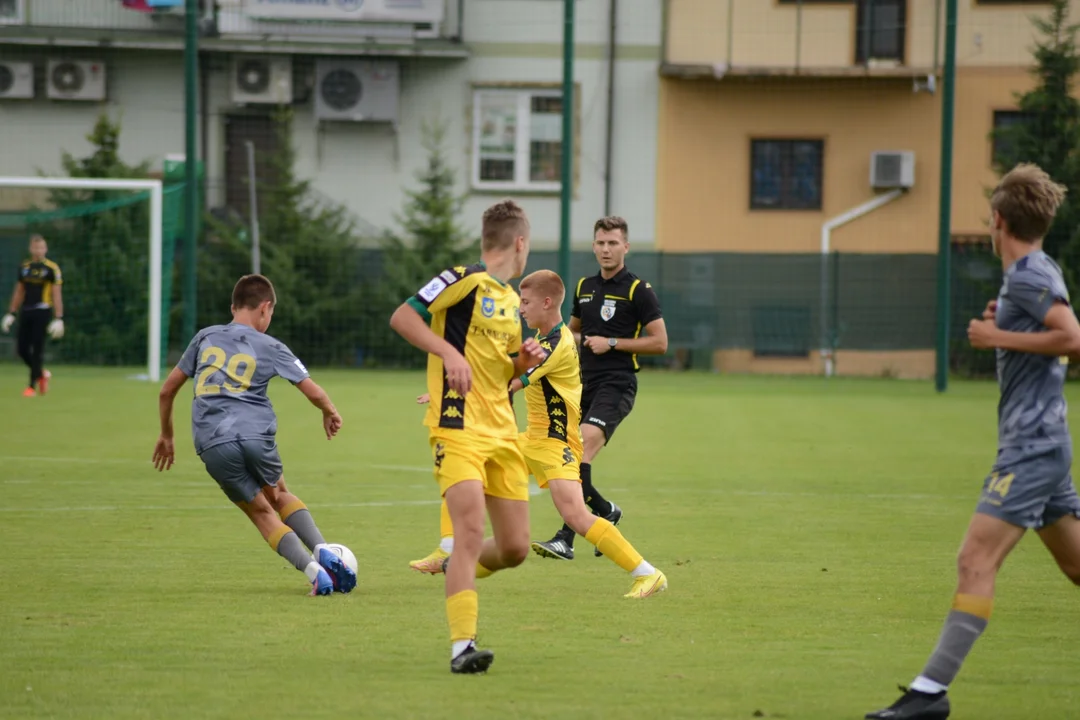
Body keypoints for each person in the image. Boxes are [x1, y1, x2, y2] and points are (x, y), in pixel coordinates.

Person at [867, 164, 1080, 720]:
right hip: (1045, 443)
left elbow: (1072, 338)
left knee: (974, 559)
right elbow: (1050, 331)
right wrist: (1008, 324)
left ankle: (930, 693)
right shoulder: (1035, 271)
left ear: (998, 220)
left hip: (1031, 448)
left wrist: (994, 335)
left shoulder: (1030, 276)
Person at [414, 270, 668, 598]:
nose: (520, 308)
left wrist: (455, 390)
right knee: (463, 464)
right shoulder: (540, 339)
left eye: (526, 302)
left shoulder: (556, 344)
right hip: (531, 439)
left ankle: (647, 574)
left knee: (576, 515)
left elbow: (510, 383)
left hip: (554, 444)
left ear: (547, 303)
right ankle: (450, 556)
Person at [389, 199, 544, 674]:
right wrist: (447, 354)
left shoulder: (512, 298)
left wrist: (526, 359)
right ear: (520, 243)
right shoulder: (462, 278)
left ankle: (460, 574)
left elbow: (505, 366)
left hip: (502, 432)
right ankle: (462, 647)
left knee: (516, 548)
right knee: (470, 533)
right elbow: (403, 317)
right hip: (455, 428)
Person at [152, 274, 355, 597]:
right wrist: (329, 411)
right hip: (255, 434)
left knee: (260, 512)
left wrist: (167, 435)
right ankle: (322, 548)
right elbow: (311, 389)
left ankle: (313, 572)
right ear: (265, 307)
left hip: (212, 442)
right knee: (279, 494)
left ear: (233, 307)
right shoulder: (272, 345)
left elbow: (166, 392)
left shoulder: (205, 337)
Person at [533, 216, 668, 561]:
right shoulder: (583, 287)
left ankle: (566, 537)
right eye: (601, 243)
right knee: (566, 457)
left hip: (617, 383)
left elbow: (659, 343)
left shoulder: (639, 290)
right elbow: (573, 332)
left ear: (626, 247)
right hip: (581, 385)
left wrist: (612, 342)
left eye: (613, 243)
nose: (606, 249)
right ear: (593, 246)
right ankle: (605, 510)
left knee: (577, 455)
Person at [1, 234, 64, 397]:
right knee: (21, 349)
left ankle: (31, 386)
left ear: (46, 249)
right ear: (31, 249)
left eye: (42, 247)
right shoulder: (25, 267)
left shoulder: (52, 268)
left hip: (43, 311)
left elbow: (57, 294)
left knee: (37, 348)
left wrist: (59, 317)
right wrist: (11, 312)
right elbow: (19, 291)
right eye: (36, 247)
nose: (39, 251)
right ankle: (41, 374)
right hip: (26, 310)